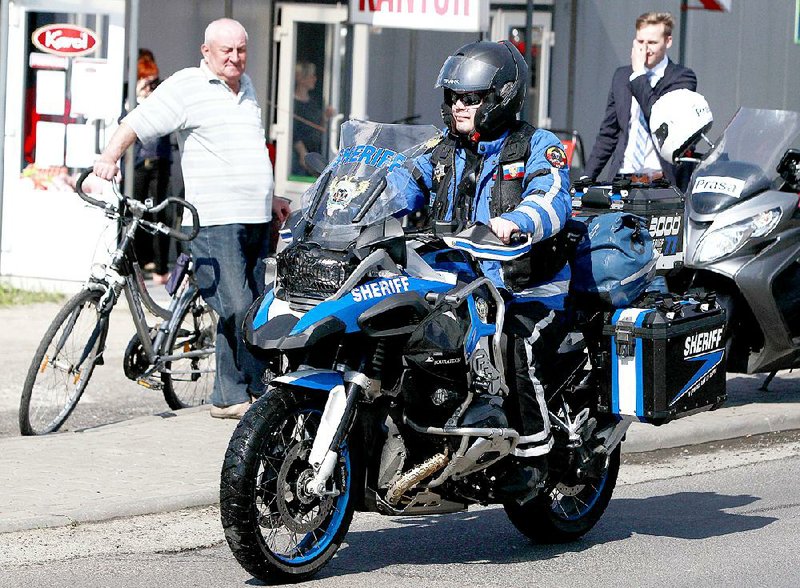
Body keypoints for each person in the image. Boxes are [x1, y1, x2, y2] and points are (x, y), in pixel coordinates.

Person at [93, 18, 291, 420]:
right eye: (226, 51)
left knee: (254, 306)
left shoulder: (247, 88)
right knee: (234, 305)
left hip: (255, 217)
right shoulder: (188, 86)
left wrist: (270, 197)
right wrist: (109, 157)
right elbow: (136, 121)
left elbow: (247, 148)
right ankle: (236, 393)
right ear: (206, 52)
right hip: (215, 219)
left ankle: (237, 395)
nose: (236, 58)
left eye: (241, 50)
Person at [402, 40, 572, 499]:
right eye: (454, 97)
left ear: (501, 98)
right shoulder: (442, 151)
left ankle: (534, 458)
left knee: (514, 342)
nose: (458, 105)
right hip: (456, 285)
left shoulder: (536, 145)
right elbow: (399, 180)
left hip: (524, 288)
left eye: (470, 98)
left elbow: (553, 197)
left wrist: (515, 224)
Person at [584, 11, 697, 186]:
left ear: (668, 41)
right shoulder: (621, 76)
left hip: (660, 180)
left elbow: (660, 118)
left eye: (652, 43)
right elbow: (608, 133)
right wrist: (587, 177)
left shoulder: (682, 78)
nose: (645, 49)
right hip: (622, 177)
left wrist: (638, 76)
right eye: (640, 42)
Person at [132, 49, 172, 284]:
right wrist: (139, 99)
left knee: (159, 211)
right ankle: (139, 261)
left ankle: (159, 267)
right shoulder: (131, 96)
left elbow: (166, 124)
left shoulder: (163, 95)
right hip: (139, 162)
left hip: (160, 160)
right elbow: (124, 124)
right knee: (136, 210)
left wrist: (156, 95)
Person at [292, 61, 333, 176]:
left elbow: (318, 129)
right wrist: (302, 153)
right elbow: (294, 131)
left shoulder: (313, 102)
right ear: (302, 79)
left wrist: (325, 117)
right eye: (311, 76)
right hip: (299, 160)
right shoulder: (293, 103)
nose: (315, 79)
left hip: (314, 154)